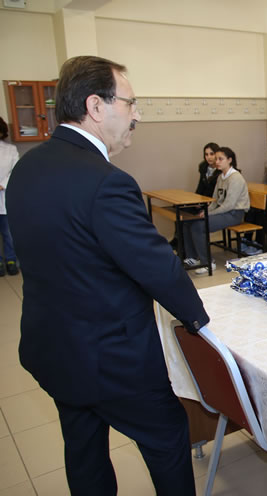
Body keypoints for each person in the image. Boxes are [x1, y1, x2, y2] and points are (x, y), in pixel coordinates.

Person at [6, 55, 208, 495]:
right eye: (130, 103)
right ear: (96, 106)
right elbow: (158, 267)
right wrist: (201, 321)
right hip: (109, 359)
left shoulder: (27, 167)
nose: (137, 115)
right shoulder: (105, 182)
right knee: (168, 436)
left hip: (52, 349)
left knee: (84, 449)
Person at [182, 147, 250, 273]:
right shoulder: (221, 177)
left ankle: (207, 262)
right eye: (216, 159)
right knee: (188, 222)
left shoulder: (235, 178)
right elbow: (215, 200)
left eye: (220, 159)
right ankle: (193, 257)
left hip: (234, 214)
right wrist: (206, 211)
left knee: (198, 226)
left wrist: (209, 214)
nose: (217, 162)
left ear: (229, 160)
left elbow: (229, 205)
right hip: (224, 211)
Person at [0, 117, 19, 276]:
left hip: (5, 195)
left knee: (9, 234)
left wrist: (2, 184)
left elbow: (15, 170)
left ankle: (11, 260)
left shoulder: (10, 149)